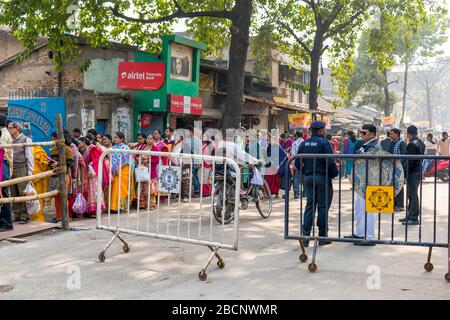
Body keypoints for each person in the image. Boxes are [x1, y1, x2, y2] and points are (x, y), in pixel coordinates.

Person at [295, 121, 338, 246]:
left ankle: (306, 237)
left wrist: (307, 172)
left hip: (308, 178)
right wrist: (334, 174)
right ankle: (323, 237)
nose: (326, 131)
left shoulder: (304, 143)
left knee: (309, 207)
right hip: (322, 178)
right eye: (325, 129)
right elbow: (330, 162)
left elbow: (297, 163)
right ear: (320, 130)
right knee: (323, 207)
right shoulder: (325, 143)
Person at [346, 124, 382, 245]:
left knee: (370, 210)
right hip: (361, 179)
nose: (361, 135)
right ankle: (359, 233)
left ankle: (370, 237)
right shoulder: (362, 144)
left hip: (371, 180)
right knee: (359, 208)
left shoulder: (375, 145)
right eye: (360, 132)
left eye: (364, 133)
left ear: (372, 134)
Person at [8, 122, 34, 224]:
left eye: (11, 128)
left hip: (22, 168)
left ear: (17, 128)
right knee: (14, 191)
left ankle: (24, 215)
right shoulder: (10, 140)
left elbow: (30, 157)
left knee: (23, 191)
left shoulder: (26, 140)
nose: (9, 130)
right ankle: (17, 213)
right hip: (12, 168)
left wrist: (30, 172)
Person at [400, 125, 425, 226]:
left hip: (413, 172)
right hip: (417, 170)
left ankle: (414, 217)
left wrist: (405, 174)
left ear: (408, 133)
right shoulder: (420, 142)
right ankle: (410, 215)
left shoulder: (411, 144)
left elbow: (410, 161)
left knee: (412, 195)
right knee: (411, 194)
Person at [49, 132, 75, 222]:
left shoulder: (68, 149)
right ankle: (58, 216)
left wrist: (59, 164)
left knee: (63, 195)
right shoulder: (53, 150)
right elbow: (51, 161)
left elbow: (71, 163)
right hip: (55, 175)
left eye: (54, 139)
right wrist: (51, 163)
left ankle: (65, 216)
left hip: (65, 175)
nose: (53, 141)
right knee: (56, 197)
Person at [110, 132, 136, 212]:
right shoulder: (113, 147)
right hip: (115, 172)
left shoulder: (125, 148)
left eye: (116, 137)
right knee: (115, 188)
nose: (115, 139)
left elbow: (126, 160)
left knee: (122, 188)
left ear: (121, 139)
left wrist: (119, 168)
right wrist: (114, 170)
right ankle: (114, 207)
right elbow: (112, 161)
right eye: (114, 137)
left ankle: (121, 206)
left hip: (124, 171)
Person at [84, 136, 109, 217]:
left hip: (94, 173)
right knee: (95, 191)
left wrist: (91, 164)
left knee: (95, 192)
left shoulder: (92, 148)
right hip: (95, 172)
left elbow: (98, 158)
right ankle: (96, 210)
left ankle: (95, 210)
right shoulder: (92, 148)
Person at [137, 135, 158, 210]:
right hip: (142, 169)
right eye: (148, 138)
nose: (149, 140)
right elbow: (137, 155)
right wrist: (140, 159)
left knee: (150, 188)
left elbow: (157, 160)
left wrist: (148, 160)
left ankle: (151, 205)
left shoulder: (155, 149)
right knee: (142, 187)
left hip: (150, 170)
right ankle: (142, 204)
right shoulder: (143, 147)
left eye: (151, 138)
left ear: (153, 140)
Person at [389, 128, 407, 212]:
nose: (390, 135)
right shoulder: (392, 143)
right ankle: (393, 204)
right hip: (392, 168)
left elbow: (404, 156)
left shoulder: (402, 143)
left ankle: (400, 205)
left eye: (392, 134)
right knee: (392, 186)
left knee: (399, 186)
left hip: (399, 168)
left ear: (397, 134)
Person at [0, 115, 13, 231]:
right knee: (4, 193)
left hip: (3, 164)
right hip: (5, 165)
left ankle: (7, 223)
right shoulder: (6, 133)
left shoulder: (3, 135)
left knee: (4, 193)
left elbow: (2, 154)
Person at [31, 145, 50, 222]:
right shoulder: (38, 150)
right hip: (35, 176)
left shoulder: (37, 150)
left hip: (36, 177)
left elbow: (44, 163)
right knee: (35, 198)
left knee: (37, 199)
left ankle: (38, 218)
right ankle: (36, 217)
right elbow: (44, 164)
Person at [291, 131, 305, 199]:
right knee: (304, 177)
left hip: (297, 162)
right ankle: (305, 192)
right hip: (305, 163)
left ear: (296, 135)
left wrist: (293, 163)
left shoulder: (294, 143)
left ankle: (296, 193)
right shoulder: (305, 142)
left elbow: (293, 154)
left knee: (296, 178)